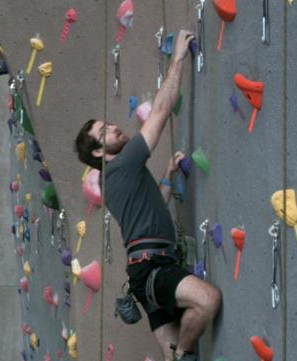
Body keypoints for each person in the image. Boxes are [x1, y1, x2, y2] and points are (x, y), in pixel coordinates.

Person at [74, 30, 221, 361]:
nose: (114, 128)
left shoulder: (113, 181)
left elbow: (145, 211)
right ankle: (185, 353)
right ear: (100, 151)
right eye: (105, 131)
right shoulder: (123, 163)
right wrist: (178, 58)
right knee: (208, 301)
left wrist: (167, 182)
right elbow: (160, 110)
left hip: (144, 274)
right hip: (153, 269)